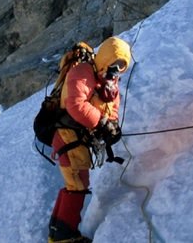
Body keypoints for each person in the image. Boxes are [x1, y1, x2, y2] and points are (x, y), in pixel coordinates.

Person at [48, 37, 132, 243]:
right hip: (68, 138)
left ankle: (57, 231)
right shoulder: (82, 73)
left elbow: (110, 110)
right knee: (77, 184)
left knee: (75, 183)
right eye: (114, 63)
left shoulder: (108, 82)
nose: (116, 69)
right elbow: (75, 105)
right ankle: (63, 237)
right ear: (104, 58)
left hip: (77, 140)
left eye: (121, 66)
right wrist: (102, 123)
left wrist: (111, 127)